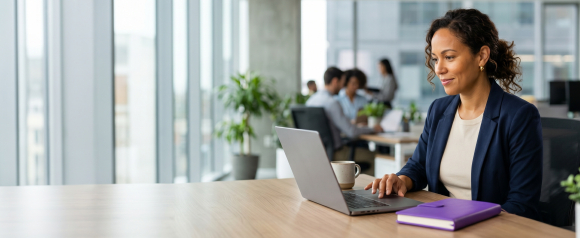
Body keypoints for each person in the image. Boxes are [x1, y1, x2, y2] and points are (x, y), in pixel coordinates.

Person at [365, 9, 543, 220]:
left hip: (489, 230)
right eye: (435, 59)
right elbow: (419, 165)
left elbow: (522, 204)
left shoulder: (519, 116)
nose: (439, 68)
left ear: (482, 56)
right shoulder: (439, 110)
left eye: (449, 57)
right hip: (442, 224)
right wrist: (402, 180)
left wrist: (466, 221)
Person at [306, 67, 382, 151]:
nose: (343, 86)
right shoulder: (333, 102)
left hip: (317, 151)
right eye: (342, 82)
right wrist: (373, 129)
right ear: (335, 81)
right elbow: (351, 132)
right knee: (373, 157)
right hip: (336, 153)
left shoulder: (310, 101)